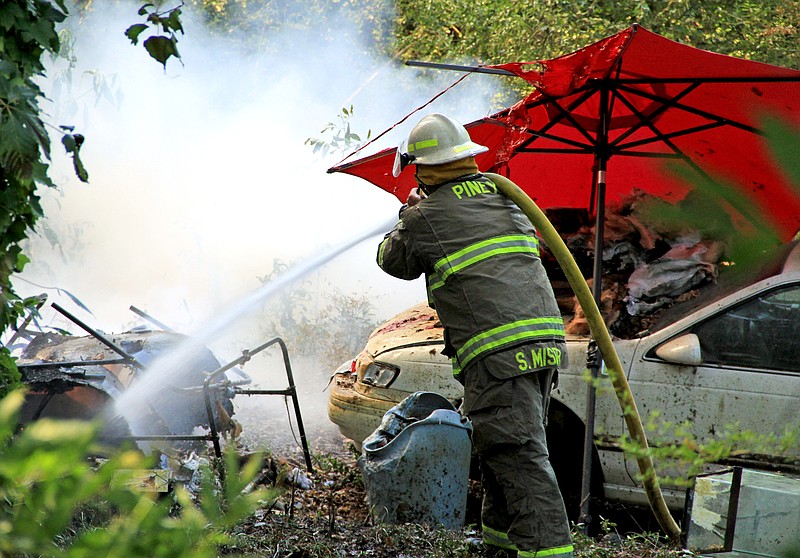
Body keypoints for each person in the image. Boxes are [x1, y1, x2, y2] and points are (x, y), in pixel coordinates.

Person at [376, 113, 573, 558]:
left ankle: (551, 551)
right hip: (542, 344)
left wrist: (408, 214)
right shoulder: (502, 197)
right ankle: (500, 547)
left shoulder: (425, 216)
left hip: (497, 352)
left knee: (517, 457)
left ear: (423, 168)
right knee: (502, 451)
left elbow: (393, 260)